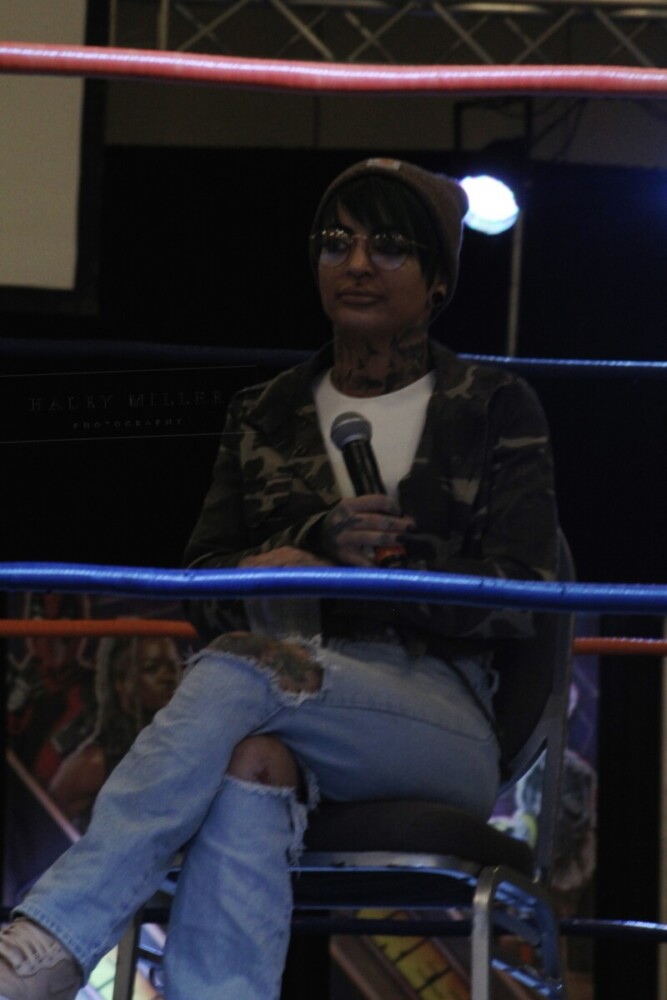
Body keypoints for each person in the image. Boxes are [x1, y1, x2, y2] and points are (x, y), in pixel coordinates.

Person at [0, 157, 558, 1000]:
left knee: (243, 667)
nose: (356, 263)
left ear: (438, 279)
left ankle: (51, 939)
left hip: (438, 715)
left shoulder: (493, 404)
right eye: (336, 242)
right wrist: (306, 544)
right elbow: (202, 588)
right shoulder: (264, 411)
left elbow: (523, 594)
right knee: (249, 764)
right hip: (277, 696)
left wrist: (381, 571)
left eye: (388, 246)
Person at [48, 635, 182, 827]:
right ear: (121, 681)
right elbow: (40, 827)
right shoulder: (94, 763)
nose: (167, 677)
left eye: (172, 667)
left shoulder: (181, 752)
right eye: (151, 668)